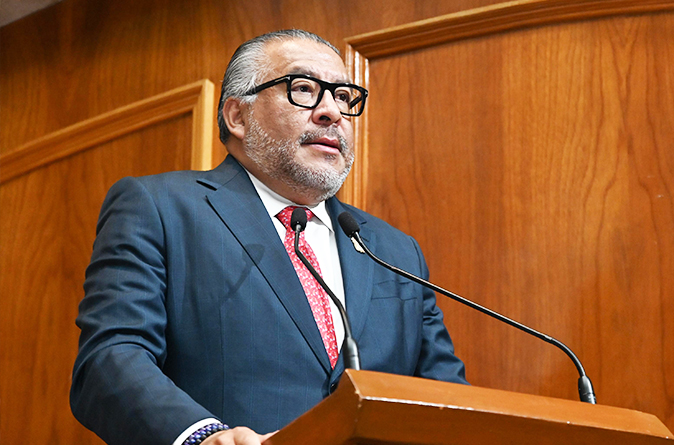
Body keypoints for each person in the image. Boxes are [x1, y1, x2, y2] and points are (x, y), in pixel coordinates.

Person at [70, 29, 467, 445]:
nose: (331, 111)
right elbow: (109, 359)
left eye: (344, 97)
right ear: (237, 117)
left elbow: (445, 399)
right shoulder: (160, 207)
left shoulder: (395, 251)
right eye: (304, 89)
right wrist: (203, 437)